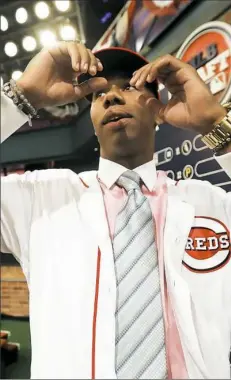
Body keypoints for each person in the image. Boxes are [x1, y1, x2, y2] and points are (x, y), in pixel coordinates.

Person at [1, 41, 231, 380]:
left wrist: (217, 125)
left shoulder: (209, 203)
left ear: (157, 109)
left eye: (129, 87)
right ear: (92, 119)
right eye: (97, 94)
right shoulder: (39, 199)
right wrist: (21, 98)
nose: (110, 96)